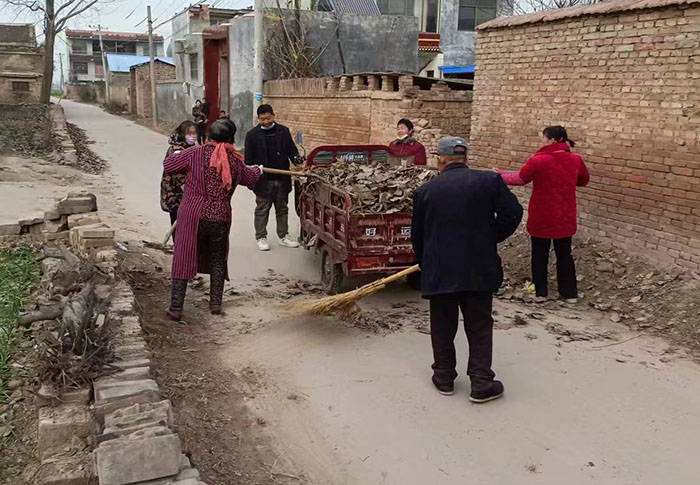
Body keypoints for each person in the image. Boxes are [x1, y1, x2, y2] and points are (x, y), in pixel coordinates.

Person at [411, 136, 522, 403]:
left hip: (441, 270)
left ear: (441, 159)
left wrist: (428, 263)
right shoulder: (489, 181)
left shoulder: (426, 191)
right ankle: (482, 383)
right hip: (478, 267)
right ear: (465, 158)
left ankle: (444, 378)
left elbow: (418, 236)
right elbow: (514, 213)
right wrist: (490, 237)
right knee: (480, 325)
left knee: (442, 325)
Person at [163, 119, 263, 319]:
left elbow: (169, 165)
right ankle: (216, 305)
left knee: (183, 258)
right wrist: (258, 170)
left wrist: (177, 153)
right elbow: (250, 178)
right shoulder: (234, 160)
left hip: (192, 215)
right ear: (230, 139)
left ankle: (176, 308)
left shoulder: (194, 153)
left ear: (207, 136)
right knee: (217, 260)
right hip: (219, 218)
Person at [497, 126, 590, 304]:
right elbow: (583, 180)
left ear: (552, 140)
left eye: (543, 138)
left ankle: (541, 291)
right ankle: (570, 293)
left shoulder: (538, 160)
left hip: (542, 214)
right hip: (565, 214)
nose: (541, 142)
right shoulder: (575, 159)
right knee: (565, 254)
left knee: (540, 254)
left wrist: (499, 175)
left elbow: (520, 179)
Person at [244, 104, 300, 251]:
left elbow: (291, 150)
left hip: (282, 178)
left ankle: (283, 236)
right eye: (262, 119)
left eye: (268, 118)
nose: (266, 122)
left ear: (273, 116)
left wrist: (296, 159)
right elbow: (248, 161)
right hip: (263, 180)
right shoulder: (252, 135)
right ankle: (261, 237)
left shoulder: (283, 131)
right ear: (258, 119)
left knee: (282, 209)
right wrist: (253, 172)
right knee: (262, 209)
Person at [160, 120, 197, 238]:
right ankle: (178, 250)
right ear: (182, 134)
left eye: (194, 133)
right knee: (178, 227)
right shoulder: (176, 151)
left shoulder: (192, 148)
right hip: (175, 194)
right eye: (189, 133)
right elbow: (176, 175)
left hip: (187, 195)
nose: (192, 136)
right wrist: (189, 188)